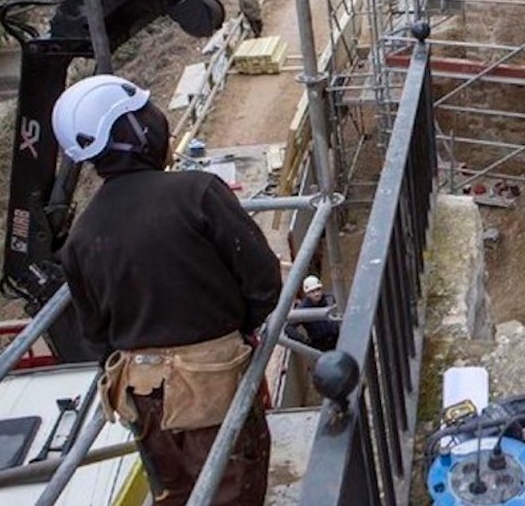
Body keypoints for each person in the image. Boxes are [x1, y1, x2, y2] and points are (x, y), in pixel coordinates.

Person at [54, 74, 281, 506]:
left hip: (142, 393)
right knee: (233, 489)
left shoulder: (82, 236)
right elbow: (263, 280)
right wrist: (238, 327)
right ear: (132, 132)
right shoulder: (196, 192)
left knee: (176, 493)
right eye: (145, 114)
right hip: (211, 384)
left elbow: (96, 335)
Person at [284, 275, 340, 352]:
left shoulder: (330, 299)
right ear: (307, 294)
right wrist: (305, 342)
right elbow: (289, 328)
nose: (316, 294)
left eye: (318, 290)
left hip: (337, 339)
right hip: (320, 345)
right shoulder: (303, 309)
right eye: (312, 292)